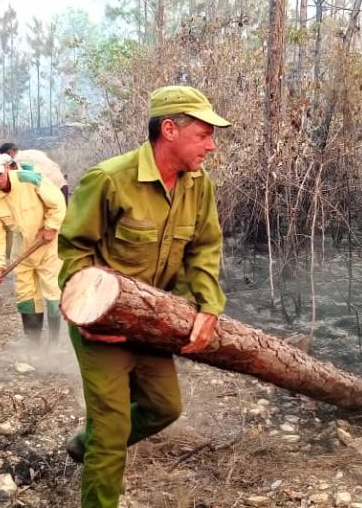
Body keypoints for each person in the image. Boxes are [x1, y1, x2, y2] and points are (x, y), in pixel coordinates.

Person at [57, 85, 230, 508]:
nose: (211, 146)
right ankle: (102, 454)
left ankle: (89, 442)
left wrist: (208, 306)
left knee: (164, 406)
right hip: (103, 329)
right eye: (203, 135)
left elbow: (204, 246)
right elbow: (74, 251)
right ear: (169, 129)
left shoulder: (198, 184)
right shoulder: (109, 179)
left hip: (154, 324)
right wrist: (90, 320)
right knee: (113, 431)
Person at [0, 152, 67, 345]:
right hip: (22, 247)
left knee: (53, 289)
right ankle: (34, 345)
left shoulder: (30, 179)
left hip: (48, 243)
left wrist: (51, 227)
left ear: (6, 168)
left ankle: (55, 343)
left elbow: (58, 203)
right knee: (25, 293)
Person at [0, 142, 70, 202]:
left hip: (50, 191)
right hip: (62, 184)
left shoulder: (17, 162)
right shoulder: (35, 152)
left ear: (11, 153)